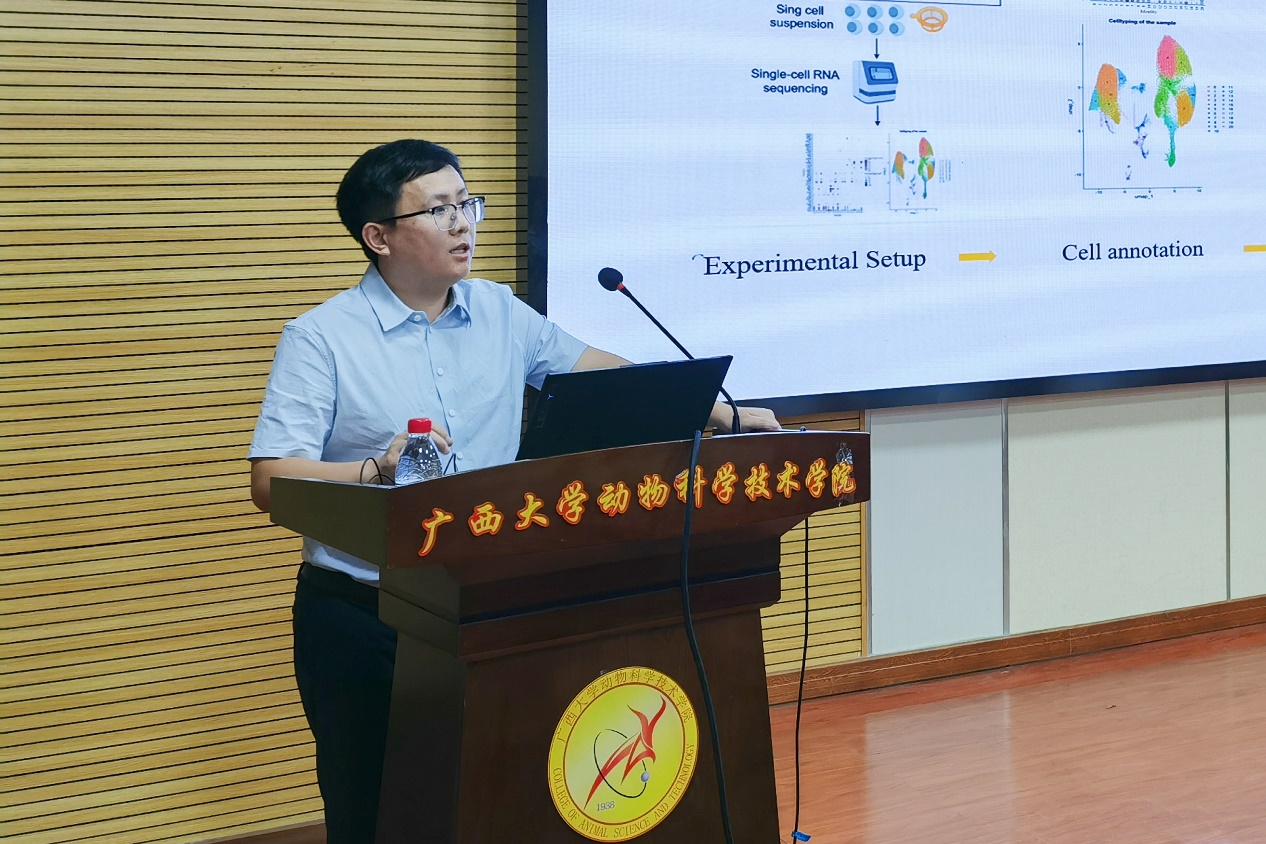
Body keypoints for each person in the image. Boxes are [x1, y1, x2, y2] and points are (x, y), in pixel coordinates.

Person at [247, 139, 779, 842]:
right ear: (379, 236)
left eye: (467, 204)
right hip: (369, 616)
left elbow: (601, 374)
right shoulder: (321, 337)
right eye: (438, 210)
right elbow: (272, 478)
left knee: (497, 805)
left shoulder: (499, 311)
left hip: (494, 603)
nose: (462, 224)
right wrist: (376, 471)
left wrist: (720, 413)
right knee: (378, 811)